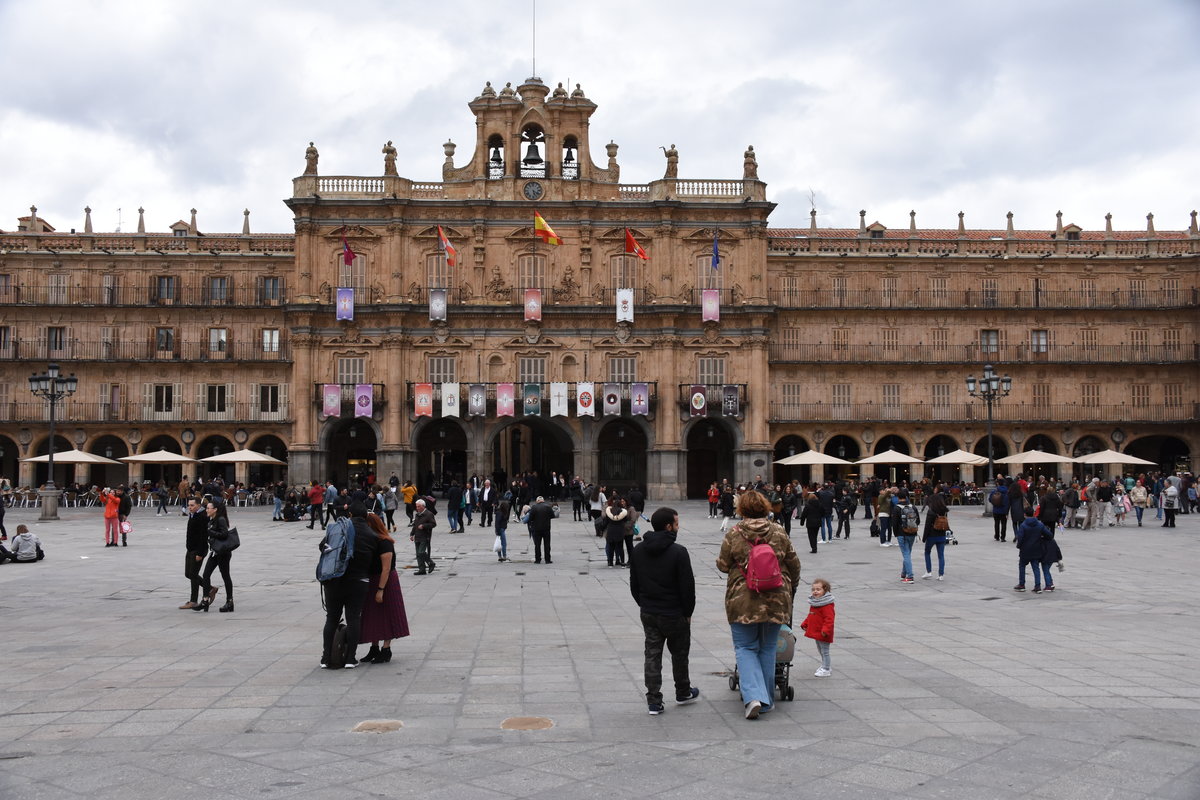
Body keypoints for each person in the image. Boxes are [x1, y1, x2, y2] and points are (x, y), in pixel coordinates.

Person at [716, 490, 801, 720]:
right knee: (768, 648)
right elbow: (794, 563)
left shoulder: (734, 534)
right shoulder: (779, 531)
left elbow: (723, 565)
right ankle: (766, 702)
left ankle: (754, 697)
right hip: (776, 598)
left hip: (742, 600)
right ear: (766, 507)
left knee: (745, 648)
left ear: (741, 509)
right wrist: (790, 590)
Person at [629, 507, 698, 715]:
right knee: (679, 654)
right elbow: (687, 587)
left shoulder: (639, 550)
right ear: (668, 526)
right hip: (674, 613)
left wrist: (644, 603)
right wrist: (688, 612)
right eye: (676, 524)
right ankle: (683, 691)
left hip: (649, 612)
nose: (678, 527)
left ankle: (653, 700)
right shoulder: (679, 552)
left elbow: (634, 584)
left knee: (652, 654)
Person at [319, 503, 380, 668]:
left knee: (332, 617)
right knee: (354, 618)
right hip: (358, 582)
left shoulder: (338, 529)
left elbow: (322, 547)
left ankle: (325, 658)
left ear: (350, 514)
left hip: (334, 580)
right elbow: (375, 564)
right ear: (366, 516)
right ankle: (350, 659)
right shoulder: (371, 535)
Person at [359, 513, 410, 664]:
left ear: (371, 525)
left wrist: (380, 589)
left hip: (385, 581)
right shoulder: (371, 541)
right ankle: (374, 647)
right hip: (373, 579)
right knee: (372, 614)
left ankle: (386, 649)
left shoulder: (385, 542)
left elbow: (386, 569)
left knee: (387, 613)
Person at [196, 499, 235, 612]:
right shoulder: (212, 520)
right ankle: (205, 600)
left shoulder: (221, 519)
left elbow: (224, 534)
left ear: (215, 509)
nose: (207, 510)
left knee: (225, 576)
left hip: (223, 553)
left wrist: (210, 532)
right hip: (214, 552)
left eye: (208, 508)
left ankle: (229, 601)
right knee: (206, 574)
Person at [1015, 514, 1060, 593]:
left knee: (1022, 566)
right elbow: (1049, 535)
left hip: (1025, 550)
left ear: (1025, 515)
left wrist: (1019, 546)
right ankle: (1037, 586)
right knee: (1036, 568)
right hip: (1036, 549)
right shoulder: (1039, 524)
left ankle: (1021, 585)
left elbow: (1020, 537)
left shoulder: (1023, 525)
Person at [800, 578, 835, 677]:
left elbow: (829, 619)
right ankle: (825, 665)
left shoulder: (826, 605)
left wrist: (826, 630)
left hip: (823, 632)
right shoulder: (815, 603)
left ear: (825, 590)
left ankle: (826, 669)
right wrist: (805, 623)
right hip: (817, 632)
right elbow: (811, 615)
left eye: (818, 589)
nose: (815, 591)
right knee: (820, 649)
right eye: (813, 589)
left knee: (825, 651)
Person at [180, 496, 209, 609]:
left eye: (192, 505)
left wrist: (200, 553)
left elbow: (203, 536)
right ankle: (210, 588)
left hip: (198, 549)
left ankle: (193, 600)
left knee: (193, 574)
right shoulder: (193, 515)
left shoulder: (202, 517)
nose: (189, 507)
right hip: (190, 548)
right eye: (189, 505)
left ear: (198, 505)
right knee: (188, 573)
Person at [921, 490, 949, 581]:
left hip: (932, 535)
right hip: (942, 534)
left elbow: (927, 526)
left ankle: (928, 571)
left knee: (927, 552)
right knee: (941, 555)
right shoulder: (944, 511)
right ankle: (941, 574)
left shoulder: (931, 512)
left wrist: (924, 538)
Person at [893, 490, 919, 583]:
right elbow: (918, 521)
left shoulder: (897, 508)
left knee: (906, 554)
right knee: (907, 553)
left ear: (898, 498)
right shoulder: (913, 507)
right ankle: (903, 574)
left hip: (901, 533)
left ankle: (910, 576)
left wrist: (896, 534)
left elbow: (894, 523)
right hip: (912, 533)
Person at [525, 495, 555, 564]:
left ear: (537, 501)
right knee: (547, 544)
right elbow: (552, 516)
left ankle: (538, 559)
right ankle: (547, 559)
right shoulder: (548, 507)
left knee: (537, 545)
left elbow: (530, 518)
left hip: (536, 529)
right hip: (546, 528)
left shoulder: (534, 507)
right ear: (543, 500)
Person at [602, 496, 630, 567]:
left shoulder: (609, 511)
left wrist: (602, 529)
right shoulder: (622, 512)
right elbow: (625, 520)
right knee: (620, 548)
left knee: (611, 547)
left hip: (611, 530)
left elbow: (605, 522)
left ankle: (610, 563)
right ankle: (622, 563)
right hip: (619, 531)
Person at [411, 498, 437, 574]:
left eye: (418, 506)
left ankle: (431, 563)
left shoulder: (429, 514)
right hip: (417, 536)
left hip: (425, 536)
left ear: (423, 506)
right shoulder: (417, 514)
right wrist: (412, 534)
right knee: (418, 554)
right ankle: (421, 569)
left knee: (421, 552)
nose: (417, 508)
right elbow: (415, 525)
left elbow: (433, 524)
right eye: (416, 506)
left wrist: (424, 526)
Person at [798, 487, 823, 555]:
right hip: (817, 523)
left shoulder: (808, 505)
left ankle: (813, 548)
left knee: (811, 536)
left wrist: (802, 522)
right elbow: (823, 512)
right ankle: (815, 547)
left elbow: (804, 514)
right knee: (815, 535)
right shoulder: (819, 504)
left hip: (810, 523)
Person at [495, 496, 510, 561]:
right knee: (503, 543)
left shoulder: (500, 512)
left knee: (499, 543)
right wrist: (497, 531)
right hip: (500, 529)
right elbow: (497, 522)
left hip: (501, 529)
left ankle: (500, 556)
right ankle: (503, 556)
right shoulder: (500, 513)